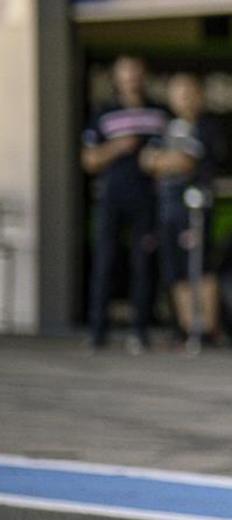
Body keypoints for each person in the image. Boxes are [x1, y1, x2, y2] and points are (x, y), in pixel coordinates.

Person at [82, 55, 170, 353]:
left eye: (136, 72)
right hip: (112, 198)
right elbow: (89, 160)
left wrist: (158, 161)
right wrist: (117, 147)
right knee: (105, 262)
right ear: (116, 78)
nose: (131, 78)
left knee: (143, 265)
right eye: (125, 73)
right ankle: (97, 330)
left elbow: (174, 150)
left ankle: (139, 330)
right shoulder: (104, 112)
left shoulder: (159, 112)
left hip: (147, 198)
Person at [140, 73, 223, 343]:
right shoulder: (165, 127)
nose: (183, 98)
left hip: (196, 206)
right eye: (178, 93)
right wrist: (166, 160)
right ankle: (188, 328)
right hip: (168, 206)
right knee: (174, 267)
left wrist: (163, 161)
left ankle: (208, 328)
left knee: (200, 265)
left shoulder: (206, 127)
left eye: (188, 92)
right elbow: (146, 161)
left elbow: (187, 162)